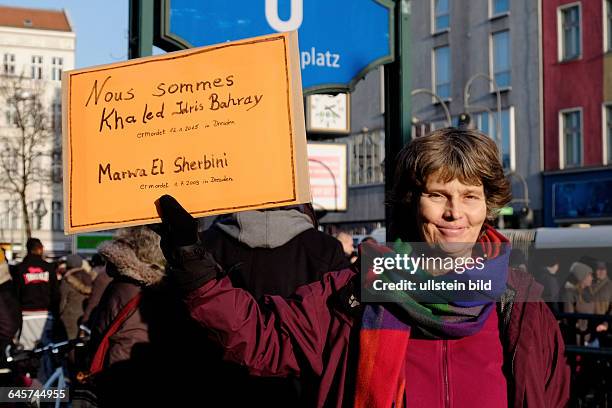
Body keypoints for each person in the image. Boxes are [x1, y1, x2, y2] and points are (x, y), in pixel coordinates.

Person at [156, 128, 570, 407]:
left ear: (488, 205)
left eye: (469, 197)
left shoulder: (521, 302)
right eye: (438, 195)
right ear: (412, 201)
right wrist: (193, 262)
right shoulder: (354, 291)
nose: (454, 213)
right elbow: (264, 340)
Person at [198, 205, 349, 406]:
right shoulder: (325, 249)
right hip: (302, 390)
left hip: (222, 384)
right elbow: (338, 333)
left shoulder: (204, 246)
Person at [59, 254, 94, 339]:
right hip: (87, 314)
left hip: (71, 315)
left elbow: (63, 300)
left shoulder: (67, 278)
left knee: (71, 342)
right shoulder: (89, 276)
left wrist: (60, 313)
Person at [563, 261, 594, 346]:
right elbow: (569, 319)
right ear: (582, 277)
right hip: (577, 340)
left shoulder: (587, 293)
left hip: (588, 338)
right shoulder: (570, 294)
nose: (592, 278)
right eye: (590, 275)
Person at [591, 261, 612, 339]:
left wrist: (606, 324)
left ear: (606, 270)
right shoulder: (590, 284)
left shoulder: (610, 286)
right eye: (598, 269)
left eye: (602, 269)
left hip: (603, 328)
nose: (600, 271)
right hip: (589, 327)